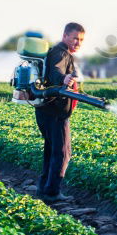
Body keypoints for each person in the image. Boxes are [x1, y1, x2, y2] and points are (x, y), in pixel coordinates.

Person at [35, 22, 85, 202]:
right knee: (63, 152)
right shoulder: (60, 53)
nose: (78, 43)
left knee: (51, 149)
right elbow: (56, 71)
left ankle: (43, 187)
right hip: (55, 113)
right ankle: (52, 192)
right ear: (65, 36)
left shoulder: (57, 52)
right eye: (75, 38)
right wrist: (64, 78)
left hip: (45, 110)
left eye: (81, 40)